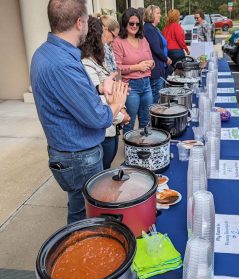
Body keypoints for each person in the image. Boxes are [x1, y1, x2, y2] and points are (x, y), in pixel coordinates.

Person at [30, 0, 128, 224]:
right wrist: (116, 103)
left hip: (67, 153)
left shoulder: (44, 53)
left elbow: (64, 97)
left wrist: (98, 88)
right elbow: (98, 118)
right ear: (78, 23)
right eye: (86, 22)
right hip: (78, 157)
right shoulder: (63, 63)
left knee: (79, 208)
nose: (89, 27)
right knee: (84, 218)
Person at [81, 16, 130, 169]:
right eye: (104, 34)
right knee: (103, 171)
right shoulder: (87, 64)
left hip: (111, 125)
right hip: (104, 130)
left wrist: (122, 106)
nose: (109, 41)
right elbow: (99, 100)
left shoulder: (97, 61)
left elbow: (113, 89)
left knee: (107, 166)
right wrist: (122, 116)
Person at [112, 7, 154, 133]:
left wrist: (151, 63)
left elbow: (152, 61)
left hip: (147, 84)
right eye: (131, 23)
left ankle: (143, 149)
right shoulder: (118, 42)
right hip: (130, 86)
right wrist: (137, 67)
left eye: (137, 23)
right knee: (129, 122)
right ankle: (130, 152)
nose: (135, 26)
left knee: (146, 121)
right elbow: (116, 69)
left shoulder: (143, 39)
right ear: (125, 23)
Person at [144, 5, 172, 104]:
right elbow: (156, 49)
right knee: (155, 100)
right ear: (151, 14)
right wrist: (166, 59)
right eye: (158, 13)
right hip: (156, 70)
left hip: (160, 67)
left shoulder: (154, 28)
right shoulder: (149, 29)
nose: (160, 15)